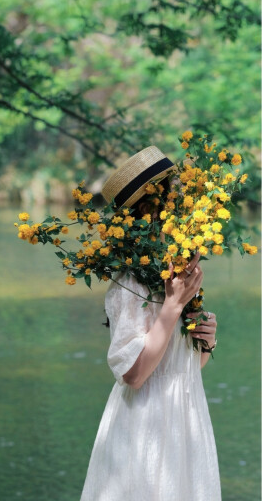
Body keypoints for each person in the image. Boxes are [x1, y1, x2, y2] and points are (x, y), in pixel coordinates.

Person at [80, 146, 220, 501]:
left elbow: (183, 366)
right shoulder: (130, 282)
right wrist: (172, 307)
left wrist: (206, 342)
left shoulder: (177, 271)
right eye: (172, 198)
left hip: (186, 416)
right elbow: (135, 374)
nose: (181, 207)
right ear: (147, 212)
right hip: (146, 423)